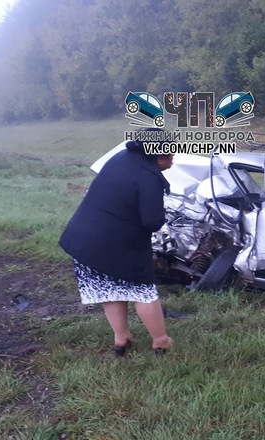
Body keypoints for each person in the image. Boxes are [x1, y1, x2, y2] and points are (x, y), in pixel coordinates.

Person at [59, 131, 175, 356]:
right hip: (117, 243)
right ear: (159, 157)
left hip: (85, 239)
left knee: (109, 289)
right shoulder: (148, 176)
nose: (174, 158)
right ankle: (161, 341)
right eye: (171, 154)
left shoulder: (123, 157)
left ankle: (122, 339)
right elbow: (152, 221)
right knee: (143, 292)